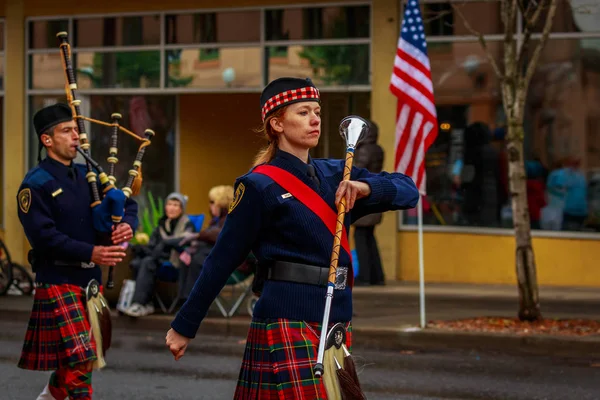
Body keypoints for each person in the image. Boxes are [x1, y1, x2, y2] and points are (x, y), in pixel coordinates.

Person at [165, 77, 419, 399]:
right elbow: (222, 258)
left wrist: (364, 188)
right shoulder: (258, 186)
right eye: (303, 112)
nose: (315, 119)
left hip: (336, 319)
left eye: (317, 111)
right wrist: (185, 325)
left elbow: (408, 191)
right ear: (277, 123)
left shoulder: (336, 174)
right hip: (286, 316)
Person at [17, 103, 138, 399]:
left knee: (78, 356)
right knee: (81, 357)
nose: (76, 137)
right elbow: (44, 237)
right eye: (67, 131)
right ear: (47, 140)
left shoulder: (90, 176)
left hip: (89, 283)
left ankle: (50, 397)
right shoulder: (35, 184)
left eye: (76, 130)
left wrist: (127, 226)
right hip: (58, 279)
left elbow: (127, 202)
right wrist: (91, 252)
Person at [123, 192, 195, 317]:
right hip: (158, 258)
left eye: (176, 205)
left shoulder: (187, 224)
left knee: (147, 262)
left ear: (181, 209)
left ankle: (138, 304)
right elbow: (152, 246)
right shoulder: (162, 224)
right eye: (169, 204)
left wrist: (166, 242)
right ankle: (145, 303)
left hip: (175, 262)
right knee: (137, 262)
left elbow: (186, 240)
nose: (171, 208)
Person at [178, 185, 233, 300]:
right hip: (216, 259)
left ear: (221, 203)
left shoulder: (231, 219)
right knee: (186, 257)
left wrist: (197, 236)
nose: (210, 205)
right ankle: (184, 299)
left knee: (197, 259)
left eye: (212, 202)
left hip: (230, 264)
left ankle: (191, 301)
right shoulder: (216, 220)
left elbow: (219, 235)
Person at [352, 120, 385, 286]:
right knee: (369, 238)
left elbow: (357, 170)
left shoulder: (364, 150)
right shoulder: (377, 149)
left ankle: (365, 276)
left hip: (365, 197)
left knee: (361, 237)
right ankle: (377, 276)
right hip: (375, 195)